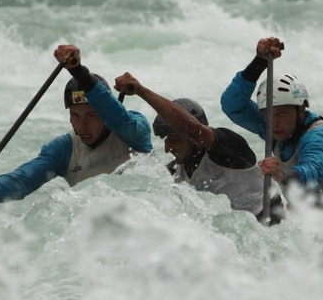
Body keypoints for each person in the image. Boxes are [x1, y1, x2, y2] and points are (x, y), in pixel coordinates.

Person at [0, 45, 153, 203]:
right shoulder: (64, 149)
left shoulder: (134, 130)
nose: (82, 125)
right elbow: (23, 179)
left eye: (90, 115)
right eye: (75, 116)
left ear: (104, 113)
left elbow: (116, 115)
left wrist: (78, 70)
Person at [220, 38, 323, 213]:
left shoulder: (320, 136)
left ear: (301, 111)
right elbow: (232, 105)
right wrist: (259, 62)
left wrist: (281, 174)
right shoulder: (274, 126)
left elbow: (311, 172)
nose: (274, 122)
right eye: (268, 114)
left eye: (282, 113)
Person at [115, 73, 283, 223]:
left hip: (271, 226)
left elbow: (192, 130)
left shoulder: (230, 148)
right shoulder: (174, 172)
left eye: (173, 138)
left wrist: (142, 91)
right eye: (165, 140)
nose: (167, 148)